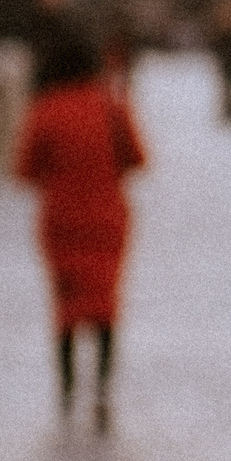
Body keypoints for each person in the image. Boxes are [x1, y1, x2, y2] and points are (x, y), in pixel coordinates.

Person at [14, 27, 146, 429]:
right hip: (107, 220)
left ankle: (68, 387)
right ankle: (103, 387)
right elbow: (138, 159)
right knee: (105, 303)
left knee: (66, 306)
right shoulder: (111, 105)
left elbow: (24, 170)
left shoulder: (45, 108)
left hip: (61, 222)